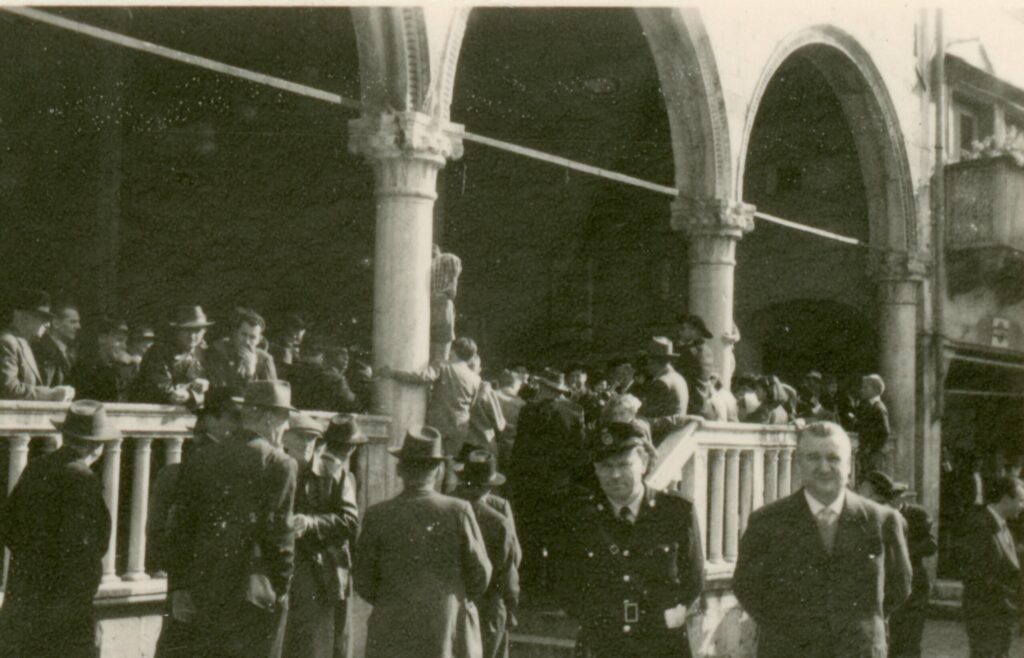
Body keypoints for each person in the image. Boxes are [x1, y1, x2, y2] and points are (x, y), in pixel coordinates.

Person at [734, 421, 912, 658]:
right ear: (799, 462)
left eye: (833, 458)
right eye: (813, 457)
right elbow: (747, 587)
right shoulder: (767, 522)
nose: (824, 467)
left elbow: (899, 587)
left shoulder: (882, 521)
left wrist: (860, 627)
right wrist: (789, 631)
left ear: (849, 465)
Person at [163, 380, 298, 658]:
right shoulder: (280, 463)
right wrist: (282, 587)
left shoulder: (202, 456)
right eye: (285, 420)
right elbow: (280, 535)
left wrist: (179, 586)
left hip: (203, 585)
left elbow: (180, 527)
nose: (286, 429)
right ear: (268, 417)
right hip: (252, 592)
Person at [552, 420, 704, 658]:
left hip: (661, 644)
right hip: (603, 645)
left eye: (624, 464)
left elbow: (694, 577)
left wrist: (674, 614)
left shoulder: (676, 512)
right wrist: (593, 618)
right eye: (606, 466)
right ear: (595, 469)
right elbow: (565, 582)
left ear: (643, 462)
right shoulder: (579, 518)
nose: (614, 475)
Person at [353, 426, 492, 658]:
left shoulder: (377, 515)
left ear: (399, 469)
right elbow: (480, 574)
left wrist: (393, 599)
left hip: (391, 629)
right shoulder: (458, 510)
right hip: (443, 629)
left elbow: (363, 580)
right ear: (438, 471)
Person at [0, 400, 120, 658]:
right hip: (64, 606)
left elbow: (7, 525)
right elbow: (89, 547)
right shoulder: (83, 479)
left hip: (24, 596)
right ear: (95, 445)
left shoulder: (37, 467)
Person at [282, 415, 363, 658]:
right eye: (301, 437)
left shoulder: (333, 472)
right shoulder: (278, 468)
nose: (307, 444)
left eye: (312, 438)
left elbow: (350, 521)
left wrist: (311, 523)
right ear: (286, 439)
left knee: (319, 643)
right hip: (283, 566)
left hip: (321, 570)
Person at [508, 368, 586, 592]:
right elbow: (579, 452)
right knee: (556, 536)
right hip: (559, 485)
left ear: (544, 387)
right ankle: (554, 585)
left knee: (530, 534)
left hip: (530, 483)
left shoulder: (528, 411)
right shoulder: (574, 412)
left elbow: (520, 449)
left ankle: (530, 583)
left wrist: (516, 478)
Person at [857, 471, 937, 658]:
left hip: (912, 587)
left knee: (908, 642)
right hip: (885, 592)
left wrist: (899, 552)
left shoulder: (912, 515)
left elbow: (930, 545)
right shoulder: (868, 517)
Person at [453, 450, 521, 658]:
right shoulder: (499, 516)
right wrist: (511, 607)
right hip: (490, 603)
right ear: (489, 485)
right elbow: (512, 562)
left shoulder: (446, 505)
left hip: (453, 601)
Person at [379, 336, 482, 459]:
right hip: (460, 426)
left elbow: (422, 377)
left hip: (439, 423)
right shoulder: (476, 379)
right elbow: (472, 404)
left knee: (432, 459)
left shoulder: (443, 365)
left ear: (453, 352)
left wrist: (392, 373)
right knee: (450, 461)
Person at [961, 476, 1024, 658]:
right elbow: (974, 573)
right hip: (986, 614)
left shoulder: (1002, 525)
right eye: (1020, 501)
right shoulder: (980, 526)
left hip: (1001, 614)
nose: (1022, 506)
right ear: (1005, 499)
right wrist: (1007, 598)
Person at [1, 288, 74, 401]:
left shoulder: (23, 343)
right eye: (42, 317)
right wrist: (50, 394)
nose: (48, 324)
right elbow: (8, 389)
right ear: (24, 317)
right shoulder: (7, 342)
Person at [133, 305, 211, 405]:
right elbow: (165, 391)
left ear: (205, 331)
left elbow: (218, 394)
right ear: (176, 331)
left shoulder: (206, 354)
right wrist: (192, 392)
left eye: (197, 331)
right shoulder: (159, 352)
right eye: (186, 330)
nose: (192, 336)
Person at [205, 307, 278, 396]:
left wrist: (250, 372)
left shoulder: (265, 360)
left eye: (252, 337)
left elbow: (271, 396)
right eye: (243, 334)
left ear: (259, 340)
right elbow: (217, 390)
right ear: (235, 333)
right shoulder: (219, 352)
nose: (247, 341)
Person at [635, 337, 689, 443]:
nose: (647, 366)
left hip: (661, 440)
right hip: (675, 437)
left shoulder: (661, 382)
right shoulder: (679, 378)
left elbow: (651, 417)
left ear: (652, 361)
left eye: (648, 361)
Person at [71, 316, 135, 402]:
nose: (124, 346)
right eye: (119, 340)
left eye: (125, 342)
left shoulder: (125, 368)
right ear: (102, 338)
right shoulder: (85, 368)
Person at [34, 300, 81, 387]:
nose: (78, 327)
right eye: (73, 322)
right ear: (56, 323)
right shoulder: (41, 350)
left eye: (78, 322)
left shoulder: (69, 352)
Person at [431, 243, 463, 363]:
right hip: (442, 303)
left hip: (428, 304)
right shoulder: (447, 257)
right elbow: (452, 290)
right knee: (442, 353)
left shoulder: (427, 265)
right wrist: (452, 286)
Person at [855, 374, 891, 474]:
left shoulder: (878, 408)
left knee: (873, 477)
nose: (862, 390)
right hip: (867, 453)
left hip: (874, 455)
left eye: (865, 387)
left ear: (875, 390)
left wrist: (871, 448)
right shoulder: (868, 406)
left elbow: (885, 432)